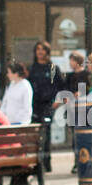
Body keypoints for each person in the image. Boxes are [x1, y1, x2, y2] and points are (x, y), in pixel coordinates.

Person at [28, 41, 63, 173]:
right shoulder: (33, 68)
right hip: (35, 106)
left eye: (43, 49)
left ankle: (46, 164)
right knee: (35, 135)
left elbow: (61, 86)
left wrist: (57, 101)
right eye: (38, 49)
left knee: (46, 134)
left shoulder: (53, 68)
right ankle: (37, 164)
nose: (40, 52)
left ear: (47, 52)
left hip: (48, 105)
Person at [0, 60, 34, 125]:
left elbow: (27, 107)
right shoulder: (10, 85)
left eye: (9, 72)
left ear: (16, 73)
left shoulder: (26, 86)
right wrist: (1, 117)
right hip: (8, 122)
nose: (7, 75)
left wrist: (24, 124)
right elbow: (4, 103)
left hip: (20, 123)